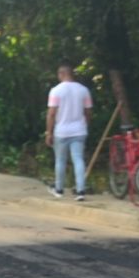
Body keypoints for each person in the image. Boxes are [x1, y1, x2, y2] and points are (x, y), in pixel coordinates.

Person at [46, 62, 93, 200]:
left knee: (60, 160)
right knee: (78, 159)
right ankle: (80, 191)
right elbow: (88, 112)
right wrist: (85, 124)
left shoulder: (56, 90)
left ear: (61, 74)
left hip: (61, 131)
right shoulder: (84, 90)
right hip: (79, 130)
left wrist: (49, 132)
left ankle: (59, 190)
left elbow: (51, 114)